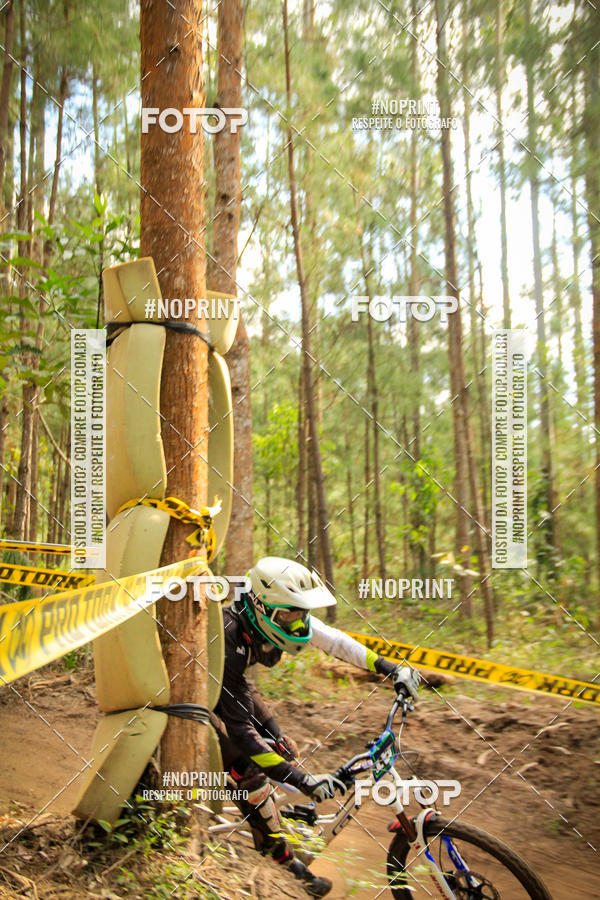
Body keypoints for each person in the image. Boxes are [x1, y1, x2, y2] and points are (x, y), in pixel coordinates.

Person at [211, 557, 420, 898]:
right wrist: (302, 781)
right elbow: (242, 734)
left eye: (301, 613)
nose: (299, 624)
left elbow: (335, 641)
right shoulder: (228, 639)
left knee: (280, 747)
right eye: (292, 615)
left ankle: (289, 810)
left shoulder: (267, 614)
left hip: (229, 687)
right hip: (189, 701)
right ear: (264, 608)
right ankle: (282, 856)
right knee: (246, 764)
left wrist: (389, 667)